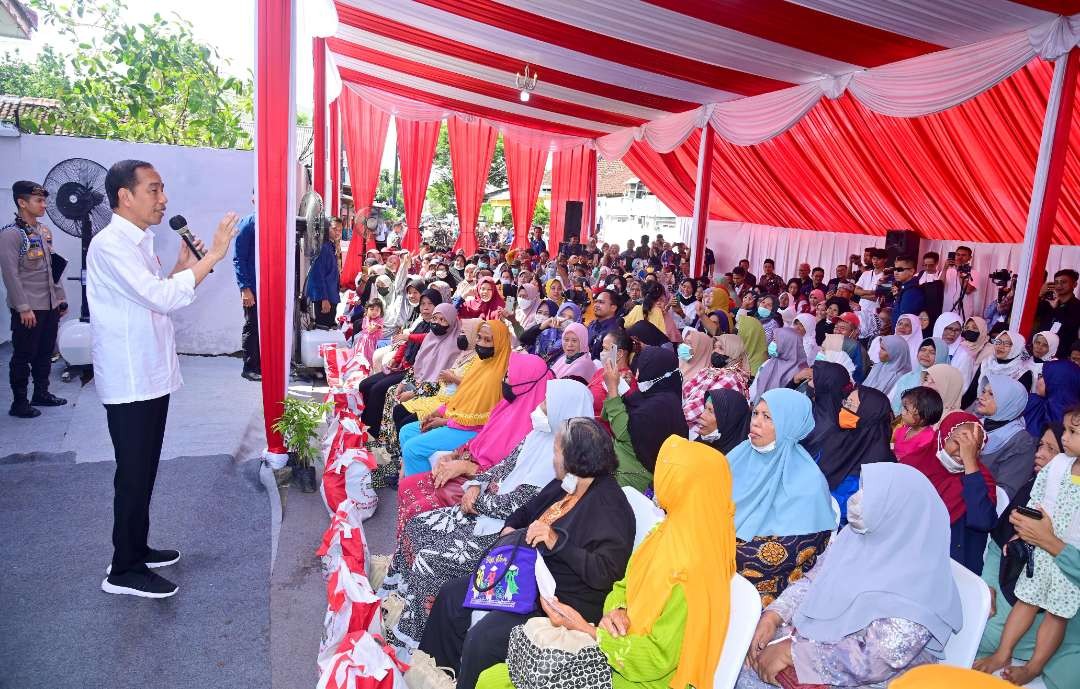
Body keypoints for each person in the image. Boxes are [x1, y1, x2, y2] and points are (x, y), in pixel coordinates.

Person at [478, 434, 738, 689]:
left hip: (640, 677)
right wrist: (620, 610)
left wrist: (588, 631)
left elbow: (658, 659)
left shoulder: (695, 569)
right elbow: (623, 585)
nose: (659, 480)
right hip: (619, 643)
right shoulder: (667, 533)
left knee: (497, 680)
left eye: (667, 472)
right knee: (497, 676)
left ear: (685, 484)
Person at [88, 160, 238, 597]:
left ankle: (135, 546)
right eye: (153, 190)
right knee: (133, 473)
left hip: (150, 373)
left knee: (144, 469)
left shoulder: (137, 241)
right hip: (131, 377)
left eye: (163, 189)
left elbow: (156, 293)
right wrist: (211, 256)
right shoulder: (110, 245)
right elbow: (159, 297)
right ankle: (124, 570)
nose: (164, 199)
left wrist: (181, 265)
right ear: (125, 196)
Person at [382, 379, 594, 657]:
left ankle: (413, 643)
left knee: (430, 559)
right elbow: (503, 466)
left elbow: (521, 505)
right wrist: (475, 485)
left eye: (547, 403)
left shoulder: (564, 458)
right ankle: (401, 608)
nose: (539, 407)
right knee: (416, 526)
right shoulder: (538, 436)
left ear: (564, 409)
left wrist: (478, 501)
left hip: (506, 532)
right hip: (486, 510)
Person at [419, 418, 635, 689]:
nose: (553, 456)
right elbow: (531, 508)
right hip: (526, 576)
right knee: (452, 596)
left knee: (483, 639)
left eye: (557, 450)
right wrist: (511, 526)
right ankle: (436, 675)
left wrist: (558, 542)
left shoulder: (610, 506)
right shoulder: (568, 483)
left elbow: (606, 573)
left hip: (559, 600)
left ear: (573, 458)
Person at [738, 463, 963, 689]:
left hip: (864, 677)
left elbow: (874, 661)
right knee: (736, 657)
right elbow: (814, 581)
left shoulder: (919, 588)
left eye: (870, 495)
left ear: (899, 511)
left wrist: (793, 655)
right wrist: (774, 616)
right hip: (816, 641)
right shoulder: (859, 538)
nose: (857, 499)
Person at [974, 407, 1080, 685]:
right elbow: (1036, 495)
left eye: (1072, 432)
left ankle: (1033, 667)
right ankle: (1003, 654)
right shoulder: (1059, 465)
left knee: (1057, 616)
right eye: (1066, 431)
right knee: (1026, 601)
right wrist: (1022, 527)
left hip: (1069, 559)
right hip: (1039, 551)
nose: (1066, 439)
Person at [396, 351, 553, 535]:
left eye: (510, 375)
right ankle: (408, 557)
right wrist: (454, 453)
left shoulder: (533, 426)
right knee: (407, 488)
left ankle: (419, 552)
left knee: (415, 510)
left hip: (484, 488)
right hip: (470, 470)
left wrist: (466, 468)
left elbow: (507, 475)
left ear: (526, 381)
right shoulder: (508, 404)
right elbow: (482, 438)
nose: (505, 378)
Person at [728, 389, 835, 605]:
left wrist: (716, 547)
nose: (756, 423)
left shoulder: (809, 483)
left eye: (767, 417)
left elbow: (783, 554)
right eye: (755, 413)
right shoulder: (740, 455)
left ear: (790, 424)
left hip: (754, 582)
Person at [396, 320, 513, 479]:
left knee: (412, 448)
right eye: (479, 337)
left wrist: (444, 422)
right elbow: (461, 397)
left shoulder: (499, 374)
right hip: (458, 422)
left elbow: (482, 420)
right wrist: (438, 412)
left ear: (499, 343)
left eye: (488, 340)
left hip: (474, 431)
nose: (481, 343)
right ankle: (416, 482)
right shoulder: (479, 363)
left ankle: (421, 491)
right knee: (406, 432)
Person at [0, 180, 68, 417]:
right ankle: (19, 402)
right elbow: (10, 274)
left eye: (44, 200)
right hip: (29, 308)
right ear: (22, 202)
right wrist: (23, 307)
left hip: (48, 305)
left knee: (45, 352)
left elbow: (52, 269)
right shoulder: (11, 235)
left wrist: (60, 299)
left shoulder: (42, 232)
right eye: (38, 201)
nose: (44, 205)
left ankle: (41, 393)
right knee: (23, 355)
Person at [900, 411, 997, 573]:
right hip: (908, 552)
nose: (963, 452)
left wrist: (971, 466)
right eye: (959, 442)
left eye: (975, 448)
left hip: (952, 563)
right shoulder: (913, 465)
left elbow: (983, 521)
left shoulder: (981, 478)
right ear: (942, 437)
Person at [819, 385, 896, 521]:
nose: (844, 409)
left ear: (868, 412)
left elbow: (849, 512)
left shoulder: (878, 466)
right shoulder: (841, 437)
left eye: (851, 405)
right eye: (846, 402)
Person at [620, 346, 689, 474]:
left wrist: (613, 392)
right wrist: (621, 390)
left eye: (642, 370)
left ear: (654, 371)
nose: (636, 376)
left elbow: (621, 432)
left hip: (644, 474)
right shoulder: (655, 393)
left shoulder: (657, 407)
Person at [977, 375, 1038, 499]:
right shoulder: (976, 424)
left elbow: (1006, 492)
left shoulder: (1022, 442)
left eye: (991, 394)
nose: (982, 397)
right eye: (983, 392)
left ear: (1008, 401)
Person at [230, 204, 260, 381]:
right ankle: (249, 367)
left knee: (264, 328)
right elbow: (239, 258)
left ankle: (262, 365)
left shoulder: (272, 223)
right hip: (252, 288)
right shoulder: (248, 223)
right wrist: (245, 288)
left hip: (267, 288)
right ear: (254, 198)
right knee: (252, 325)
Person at [890, 337, 949, 413]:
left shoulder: (945, 382)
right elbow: (894, 404)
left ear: (941, 356)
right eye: (923, 350)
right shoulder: (907, 377)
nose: (926, 354)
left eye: (932, 352)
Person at [1025, 359, 1080, 439]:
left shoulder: (1071, 421)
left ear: (1056, 381)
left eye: (1042, 376)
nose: (1038, 380)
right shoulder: (1032, 401)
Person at [748, 327, 806, 400]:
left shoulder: (801, 372)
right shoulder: (770, 362)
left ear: (786, 344)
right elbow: (755, 388)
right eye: (773, 339)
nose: (772, 343)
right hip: (760, 407)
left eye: (775, 340)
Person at [1034, 269, 1080, 359]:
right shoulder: (1048, 302)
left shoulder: (1077, 306)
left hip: (1061, 355)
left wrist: (1056, 310)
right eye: (1056, 282)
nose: (1059, 285)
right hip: (1039, 351)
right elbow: (1031, 315)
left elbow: (1069, 326)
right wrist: (1040, 294)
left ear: (1074, 285)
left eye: (1063, 282)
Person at [305, 216, 341, 328]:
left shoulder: (331, 246)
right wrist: (324, 298)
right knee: (323, 330)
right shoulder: (323, 248)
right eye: (335, 229)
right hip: (325, 298)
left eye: (340, 230)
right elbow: (318, 275)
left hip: (331, 295)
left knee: (328, 329)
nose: (337, 232)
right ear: (326, 228)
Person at [894, 386, 945, 464]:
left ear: (923, 416)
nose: (903, 412)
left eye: (906, 409)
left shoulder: (928, 439)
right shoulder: (903, 430)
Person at [694, 387, 751, 455]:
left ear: (729, 420)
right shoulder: (701, 443)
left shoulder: (734, 459)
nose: (702, 416)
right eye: (705, 408)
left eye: (710, 411)